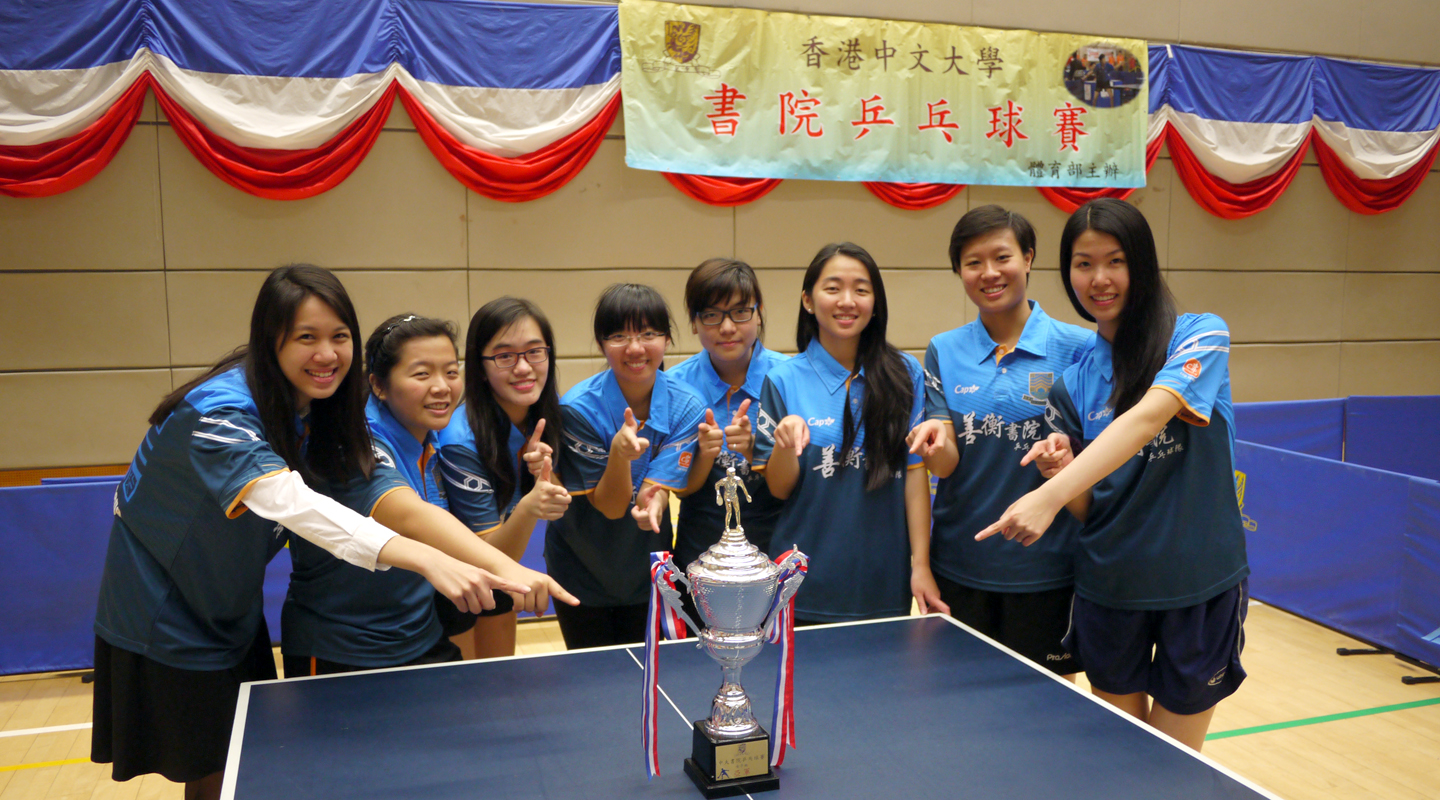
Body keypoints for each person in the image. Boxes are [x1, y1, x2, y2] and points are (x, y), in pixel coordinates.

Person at [90, 266, 558, 799]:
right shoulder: (218, 414)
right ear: (272, 341)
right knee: (214, 774)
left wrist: (505, 565)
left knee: (238, 767)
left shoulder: (317, 411)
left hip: (231, 610)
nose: (327, 354)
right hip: (164, 613)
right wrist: (426, 559)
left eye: (339, 337)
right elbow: (293, 505)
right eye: (306, 338)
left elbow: (385, 491)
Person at [977, 198, 1250, 751]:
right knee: (1121, 756)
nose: (1098, 279)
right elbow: (1090, 508)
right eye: (1082, 263)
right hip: (1111, 585)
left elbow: (1151, 416)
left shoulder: (1199, 335)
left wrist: (1047, 495)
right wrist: (1067, 475)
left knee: (1174, 761)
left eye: (1115, 261)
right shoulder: (1072, 382)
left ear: (1142, 265)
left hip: (1197, 581)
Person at [906, 205, 1094, 677]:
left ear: (1028, 258)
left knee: (1045, 710)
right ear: (959, 271)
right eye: (973, 262)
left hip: (1048, 569)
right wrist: (934, 443)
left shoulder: (1079, 347)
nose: (989, 273)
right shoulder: (943, 349)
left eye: (1002, 257)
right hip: (961, 564)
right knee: (958, 705)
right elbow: (947, 463)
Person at [752, 242, 929, 624]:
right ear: (808, 301)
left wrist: (921, 565)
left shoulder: (906, 374)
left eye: (861, 290)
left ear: (876, 302)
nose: (847, 301)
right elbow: (779, 488)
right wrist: (785, 445)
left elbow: (915, 476)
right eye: (833, 288)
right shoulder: (782, 380)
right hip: (801, 583)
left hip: (884, 582)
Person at [548, 283, 707, 649]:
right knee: (591, 678)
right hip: (581, 570)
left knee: (646, 678)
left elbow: (653, 491)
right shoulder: (577, 410)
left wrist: (656, 500)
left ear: (667, 339)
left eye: (648, 334)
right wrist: (620, 455)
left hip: (645, 568)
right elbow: (609, 504)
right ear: (602, 344)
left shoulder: (687, 406)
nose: (635, 348)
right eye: (619, 336)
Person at [437, 298, 571, 657]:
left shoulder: (539, 414)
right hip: (448, 588)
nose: (524, 367)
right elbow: (490, 558)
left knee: (498, 683)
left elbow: (555, 498)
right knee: (465, 695)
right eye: (505, 356)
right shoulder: (460, 441)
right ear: (480, 368)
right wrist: (529, 508)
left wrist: (544, 479)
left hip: (494, 582)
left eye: (534, 352)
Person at [667, 259, 787, 604]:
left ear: (759, 313)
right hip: (698, 550)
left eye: (740, 312)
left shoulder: (791, 377)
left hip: (775, 547)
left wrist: (758, 451)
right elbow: (675, 484)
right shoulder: (674, 386)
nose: (727, 327)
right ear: (693, 321)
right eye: (711, 315)